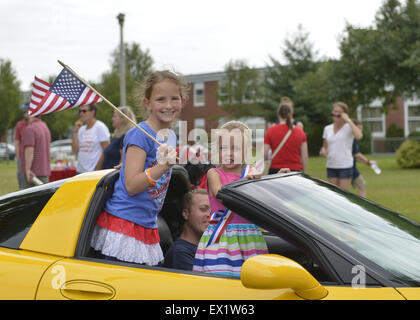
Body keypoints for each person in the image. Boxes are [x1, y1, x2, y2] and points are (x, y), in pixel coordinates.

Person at [90, 70, 188, 266]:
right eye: (160, 99)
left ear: (182, 101)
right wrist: (162, 166)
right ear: (147, 103)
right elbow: (132, 186)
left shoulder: (170, 135)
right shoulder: (140, 134)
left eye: (174, 99)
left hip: (147, 224)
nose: (168, 105)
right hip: (125, 225)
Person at [193, 121, 268, 277]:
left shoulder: (251, 172)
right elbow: (220, 194)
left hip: (249, 237)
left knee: (253, 279)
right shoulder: (214, 173)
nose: (229, 153)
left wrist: (260, 179)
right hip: (223, 237)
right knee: (222, 279)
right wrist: (246, 183)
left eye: (236, 148)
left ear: (246, 151)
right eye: (223, 148)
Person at [319, 102, 363, 191]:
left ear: (344, 114)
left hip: (345, 166)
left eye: (339, 112)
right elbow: (325, 146)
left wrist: (348, 120)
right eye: (334, 112)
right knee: (334, 194)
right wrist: (323, 151)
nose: (335, 114)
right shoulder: (327, 128)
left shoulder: (349, 127)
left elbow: (359, 136)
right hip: (331, 165)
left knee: (343, 194)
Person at [163, 189, 210, 270]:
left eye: (213, 211)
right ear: (186, 214)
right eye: (203, 209)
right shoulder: (180, 253)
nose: (210, 214)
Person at [264, 103, 308, 173]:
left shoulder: (270, 130)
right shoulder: (300, 132)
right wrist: (304, 171)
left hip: (275, 170)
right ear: (290, 114)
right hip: (295, 170)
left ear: (278, 115)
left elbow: (264, 153)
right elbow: (304, 156)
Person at [72, 103, 110, 174]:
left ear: (92, 112)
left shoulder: (100, 127)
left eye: (84, 111)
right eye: (80, 111)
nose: (81, 114)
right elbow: (75, 150)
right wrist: (76, 131)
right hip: (80, 171)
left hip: (93, 172)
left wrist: (97, 169)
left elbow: (106, 151)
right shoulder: (81, 129)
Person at [22, 115, 51, 187]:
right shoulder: (45, 126)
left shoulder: (30, 129)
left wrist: (27, 170)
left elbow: (29, 150)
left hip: (33, 174)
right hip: (45, 171)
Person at [351, 120, 377, 198]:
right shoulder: (352, 139)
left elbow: (354, 156)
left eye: (361, 129)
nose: (361, 131)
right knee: (362, 186)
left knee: (362, 185)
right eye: (359, 128)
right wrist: (368, 162)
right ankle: (358, 206)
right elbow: (357, 154)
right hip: (349, 168)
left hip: (351, 168)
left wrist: (367, 163)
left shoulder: (352, 139)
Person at [14, 103, 29, 189]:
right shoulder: (19, 125)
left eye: (27, 111)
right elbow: (16, 141)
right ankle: (22, 190)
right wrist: (18, 156)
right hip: (22, 156)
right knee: (21, 174)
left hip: (32, 156)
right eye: (24, 112)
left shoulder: (34, 124)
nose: (25, 114)